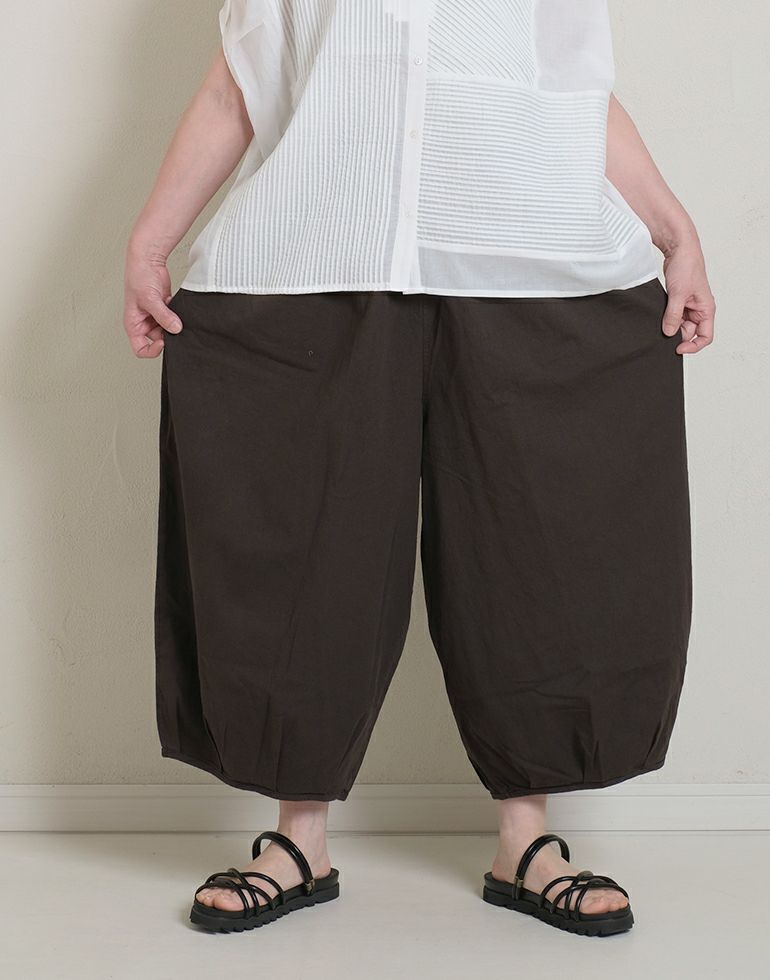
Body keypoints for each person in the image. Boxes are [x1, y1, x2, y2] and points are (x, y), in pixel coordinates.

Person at [124, 0, 714, 939]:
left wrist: (675, 232)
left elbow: (575, 89)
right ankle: (297, 843)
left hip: (524, 262)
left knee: (539, 550)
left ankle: (527, 843)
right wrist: (152, 242)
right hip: (316, 254)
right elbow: (241, 81)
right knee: (302, 550)